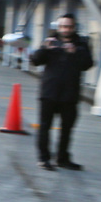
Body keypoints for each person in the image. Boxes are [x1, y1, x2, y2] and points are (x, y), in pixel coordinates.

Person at [29, 13, 94, 171]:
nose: (66, 29)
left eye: (69, 26)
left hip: (69, 95)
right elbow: (35, 60)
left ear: (74, 27)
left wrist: (75, 52)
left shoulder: (81, 44)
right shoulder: (51, 42)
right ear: (58, 27)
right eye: (63, 26)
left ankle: (62, 158)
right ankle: (44, 159)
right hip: (49, 93)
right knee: (45, 127)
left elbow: (87, 64)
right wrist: (45, 48)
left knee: (67, 129)